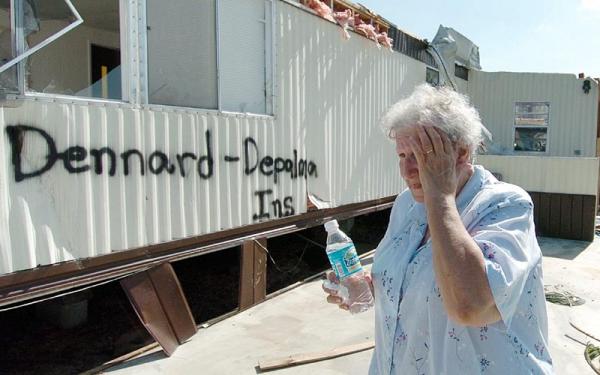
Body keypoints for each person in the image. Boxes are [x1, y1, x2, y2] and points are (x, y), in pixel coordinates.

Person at [323, 84, 553, 374]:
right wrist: (367, 288)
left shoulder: (506, 204)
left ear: (462, 153)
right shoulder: (407, 204)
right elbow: (413, 279)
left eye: (420, 156)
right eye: (402, 156)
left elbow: (469, 305)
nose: (407, 172)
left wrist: (440, 196)